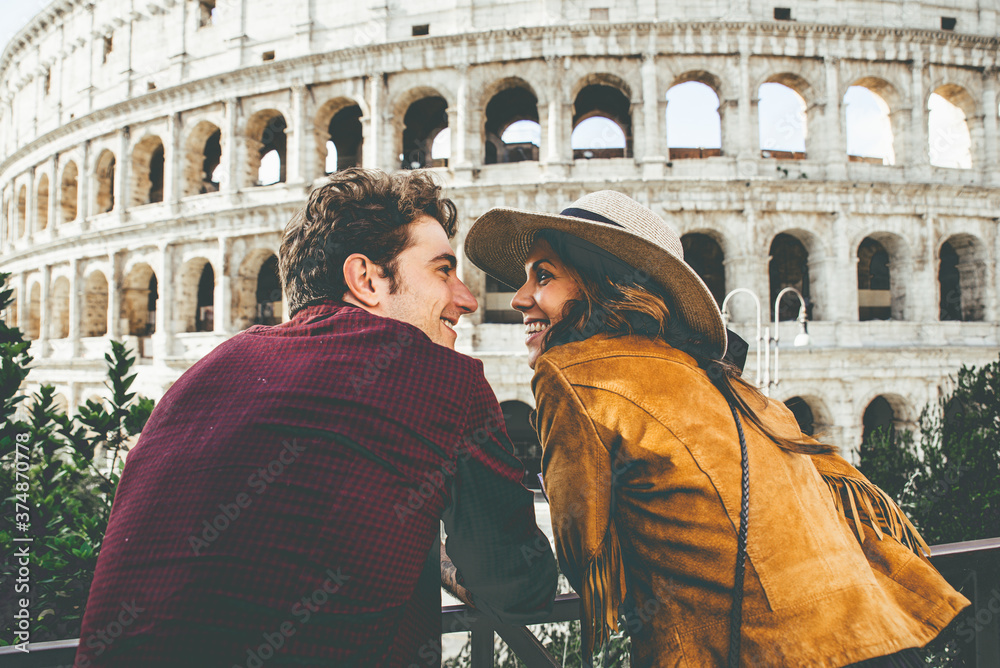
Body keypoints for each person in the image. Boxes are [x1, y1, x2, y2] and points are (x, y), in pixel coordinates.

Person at [464, 191, 970, 667]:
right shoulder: (715, 376)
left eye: (544, 276)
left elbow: (585, 555)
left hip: (764, 650)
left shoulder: (573, 373)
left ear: (603, 283)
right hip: (874, 632)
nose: (519, 297)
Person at [75, 168, 558, 668]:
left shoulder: (202, 375)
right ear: (367, 279)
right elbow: (518, 582)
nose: (467, 298)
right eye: (442, 270)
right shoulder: (442, 378)